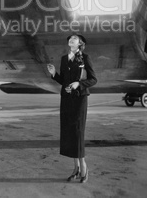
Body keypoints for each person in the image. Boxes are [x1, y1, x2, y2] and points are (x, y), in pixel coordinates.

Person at [47, 33, 97, 183]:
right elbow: (64, 80)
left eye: (74, 38)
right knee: (69, 133)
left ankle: (84, 167)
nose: (71, 39)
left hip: (79, 99)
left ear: (80, 43)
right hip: (66, 99)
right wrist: (54, 74)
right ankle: (75, 169)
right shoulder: (64, 59)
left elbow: (93, 79)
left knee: (78, 132)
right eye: (70, 38)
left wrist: (78, 84)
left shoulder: (85, 58)